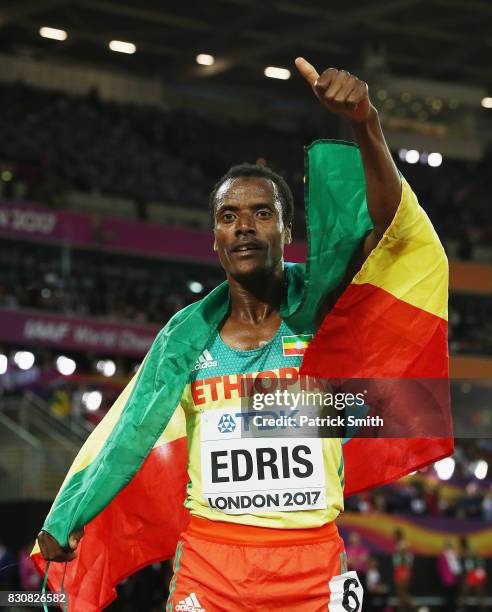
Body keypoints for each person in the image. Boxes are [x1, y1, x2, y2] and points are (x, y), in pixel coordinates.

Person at [36, 58, 449, 611]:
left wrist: (365, 123)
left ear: (286, 229)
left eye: (261, 212)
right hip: (212, 566)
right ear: (214, 237)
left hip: (311, 566)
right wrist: (68, 517)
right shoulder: (185, 337)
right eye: (229, 216)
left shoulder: (325, 309)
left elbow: (390, 228)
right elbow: (126, 436)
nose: (245, 226)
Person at [438, 540, 462, 612]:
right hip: (451, 580)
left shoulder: (446, 555)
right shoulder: (450, 555)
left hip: (449, 580)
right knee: (451, 599)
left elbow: (440, 568)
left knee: (450, 598)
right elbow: (457, 569)